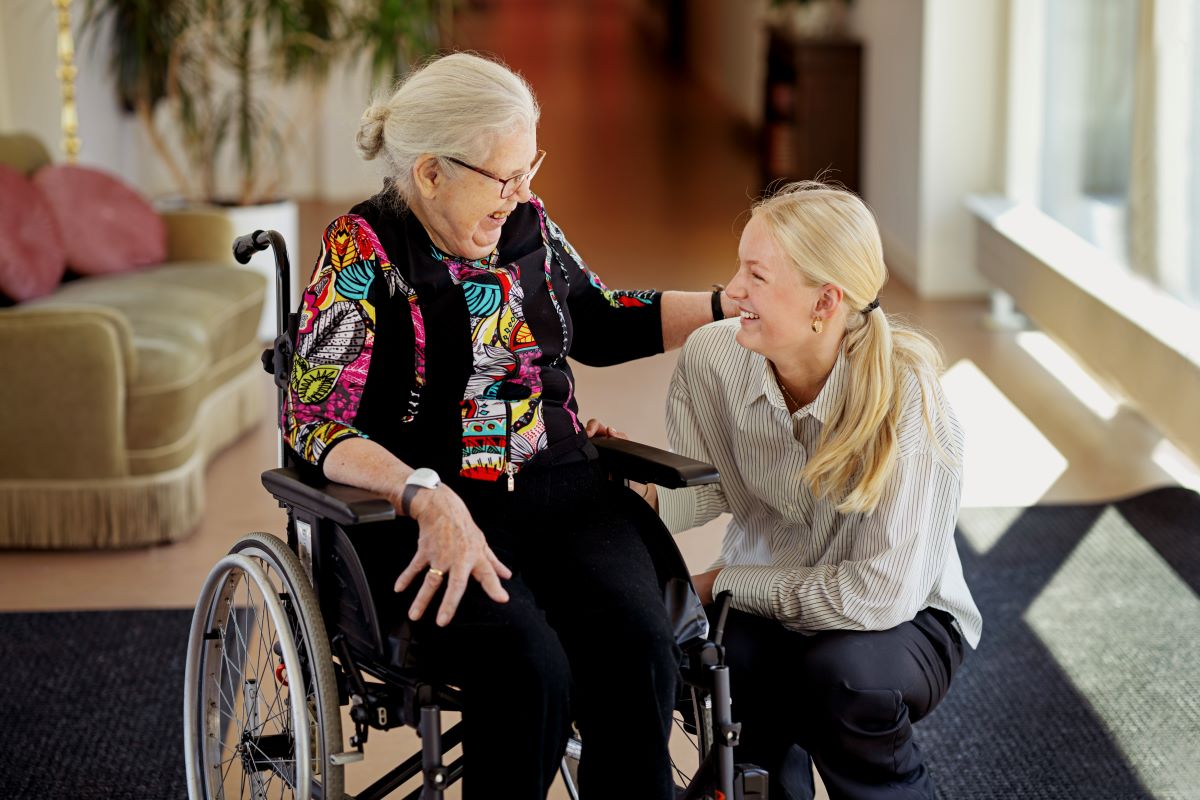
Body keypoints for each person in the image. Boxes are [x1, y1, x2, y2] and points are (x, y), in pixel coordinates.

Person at [281, 52, 737, 800]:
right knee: (530, 671)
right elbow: (316, 418)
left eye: (531, 168)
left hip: (561, 488)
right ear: (431, 173)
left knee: (638, 649)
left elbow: (592, 316)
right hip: (434, 508)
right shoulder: (361, 251)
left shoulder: (526, 224)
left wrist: (724, 308)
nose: (524, 192)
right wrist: (422, 495)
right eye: (506, 176)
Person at [644, 181, 983, 799]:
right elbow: (704, 492)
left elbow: (880, 595)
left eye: (756, 276)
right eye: (737, 268)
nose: (731, 292)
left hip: (904, 618)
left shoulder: (909, 397)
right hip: (775, 598)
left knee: (840, 676)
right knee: (728, 668)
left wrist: (725, 582)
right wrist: (641, 492)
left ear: (824, 303)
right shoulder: (712, 359)